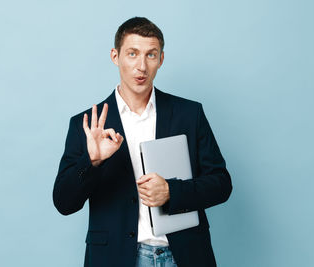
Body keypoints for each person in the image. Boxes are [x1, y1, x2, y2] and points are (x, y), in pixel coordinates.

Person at [53, 17, 232, 267]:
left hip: (185, 255)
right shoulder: (87, 125)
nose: (141, 66)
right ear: (115, 56)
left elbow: (222, 184)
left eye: (151, 55)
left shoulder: (189, 114)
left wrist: (172, 191)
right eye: (132, 53)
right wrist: (92, 161)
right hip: (117, 258)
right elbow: (64, 202)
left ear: (161, 59)